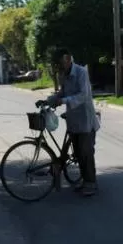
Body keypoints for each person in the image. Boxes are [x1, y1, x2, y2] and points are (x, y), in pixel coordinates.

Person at [43, 49, 100, 195]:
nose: (60, 66)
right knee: (79, 154)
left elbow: (83, 95)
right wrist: (49, 100)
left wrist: (64, 100)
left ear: (68, 60)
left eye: (62, 62)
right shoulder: (64, 75)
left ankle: (91, 184)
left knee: (86, 153)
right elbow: (62, 92)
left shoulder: (81, 72)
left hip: (85, 119)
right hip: (73, 119)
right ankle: (85, 182)